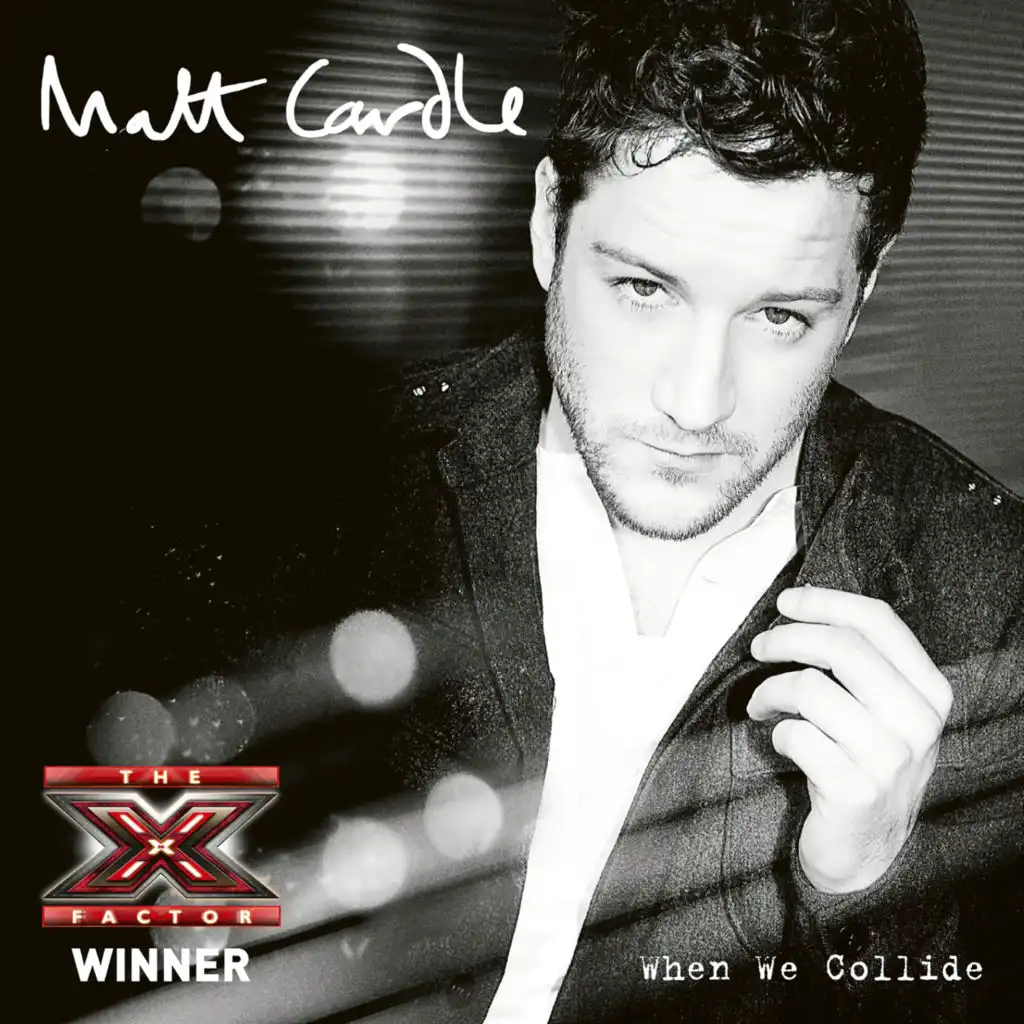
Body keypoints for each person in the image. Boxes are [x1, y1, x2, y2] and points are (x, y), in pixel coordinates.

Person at [66, 2, 1021, 1023]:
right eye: (644, 289)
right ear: (546, 224)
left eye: (780, 315)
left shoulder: (990, 607)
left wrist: (868, 888)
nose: (696, 402)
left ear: (863, 291)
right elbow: (127, 942)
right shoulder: (310, 503)